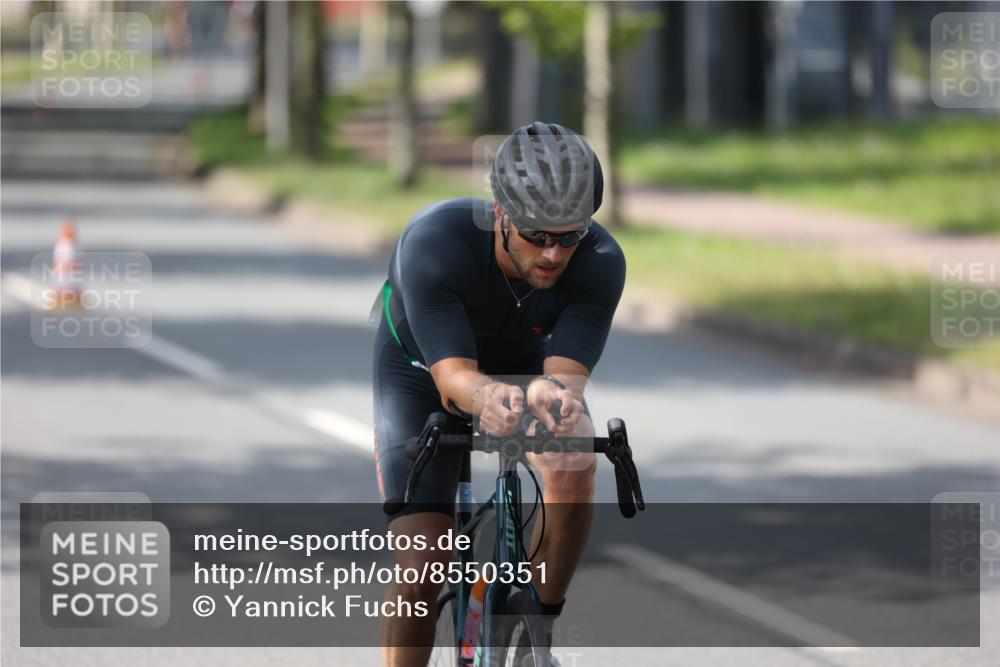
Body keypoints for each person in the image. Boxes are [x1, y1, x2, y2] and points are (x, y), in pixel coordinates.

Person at [372, 121, 626, 667]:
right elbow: (455, 378)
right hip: (424, 368)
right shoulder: (435, 241)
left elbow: (564, 379)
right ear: (501, 214)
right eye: (538, 236)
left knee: (573, 452)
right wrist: (488, 397)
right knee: (423, 564)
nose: (555, 255)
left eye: (570, 236)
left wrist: (552, 402)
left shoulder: (602, 261)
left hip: (524, 367)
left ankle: (539, 624)